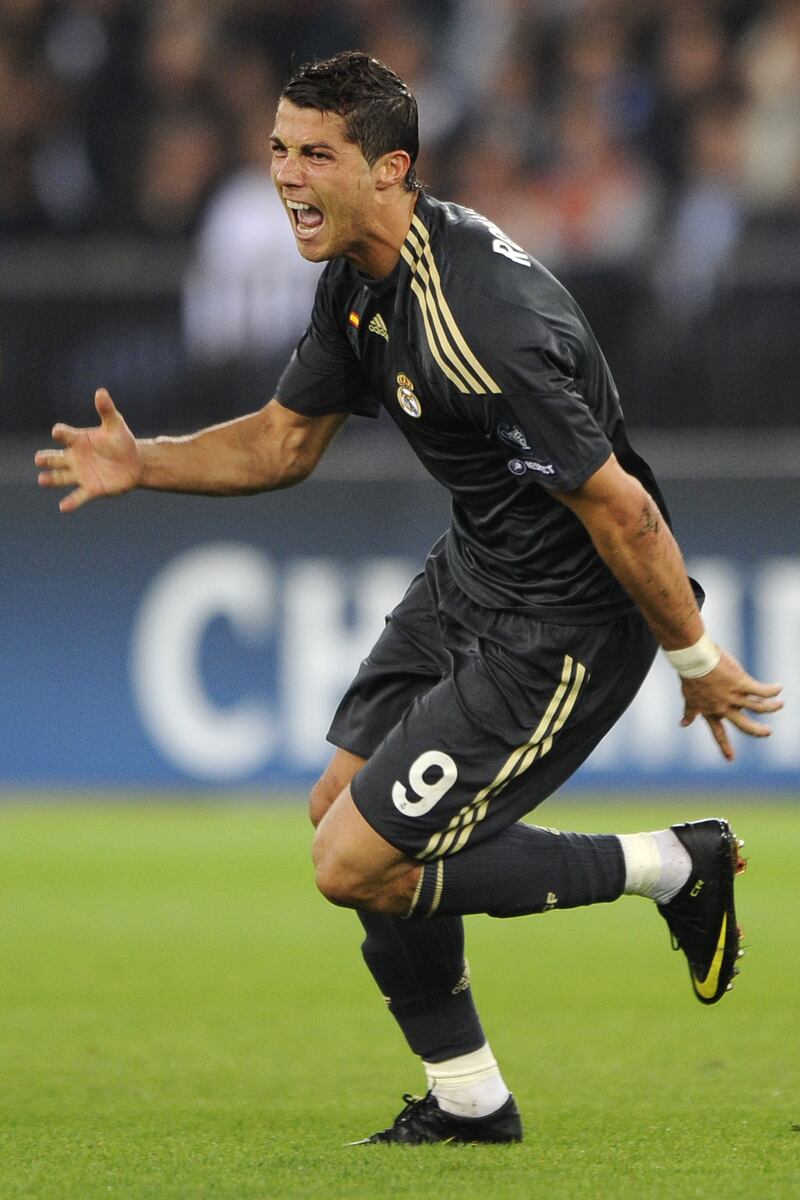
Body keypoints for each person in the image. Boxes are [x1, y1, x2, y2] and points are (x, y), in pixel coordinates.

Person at [35, 51, 782, 1146]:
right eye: (280, 148)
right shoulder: (359, 273)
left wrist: (693, 658)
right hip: (472, 573)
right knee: (336, 811)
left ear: (390, 170)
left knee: (354, 862)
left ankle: (674, 864)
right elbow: (285, 443)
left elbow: (620, 509)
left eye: (316, 154)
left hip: (563, 624)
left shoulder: (483, 323)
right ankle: (470, 1099)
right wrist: (146, 460)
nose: (287, 175)